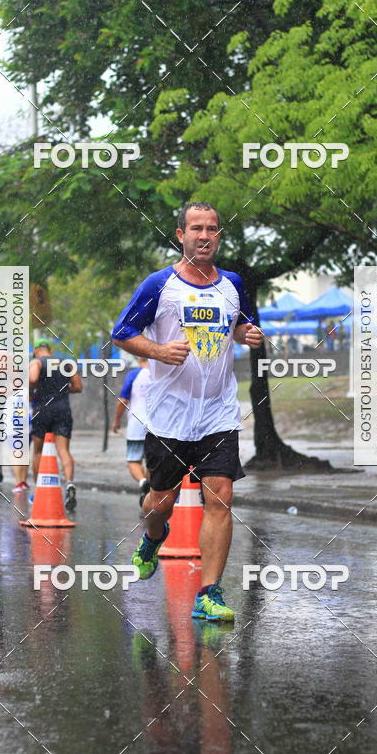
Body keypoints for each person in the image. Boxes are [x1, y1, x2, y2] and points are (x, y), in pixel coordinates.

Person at [112, 201, 263, 622]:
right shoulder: (159, 285)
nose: (204, 235)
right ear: (180, 235)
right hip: (169, 416)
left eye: (212, 229)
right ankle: (151, 538)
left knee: (222, 496)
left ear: (218, 235)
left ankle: (209, 593)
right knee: (162, 502)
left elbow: (241, 325)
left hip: (218, 413)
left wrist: (247, 333)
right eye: (196, 228)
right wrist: (159, 350)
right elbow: (121, 333)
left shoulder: (233, 284)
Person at [29, 338, 82, 510]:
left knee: (37, 450)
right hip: (62, 409)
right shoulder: (65, 363)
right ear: (49, 350)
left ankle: (39, 489)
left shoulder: (36, 362)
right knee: (64, 450)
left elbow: (32, 379)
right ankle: (69, 483)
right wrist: (63, 389)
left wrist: (32, 390)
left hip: (42, 410)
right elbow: (78, 386)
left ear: (37, 350)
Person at [112, 357, 151, 505]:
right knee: (151, 462)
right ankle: (148, 492)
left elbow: (123, 400)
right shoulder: (160, 373)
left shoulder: (134, 374)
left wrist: (116, 420)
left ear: (140, 358)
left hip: (136, 424)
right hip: (157, 425)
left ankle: (142, 482)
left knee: (133, 460)